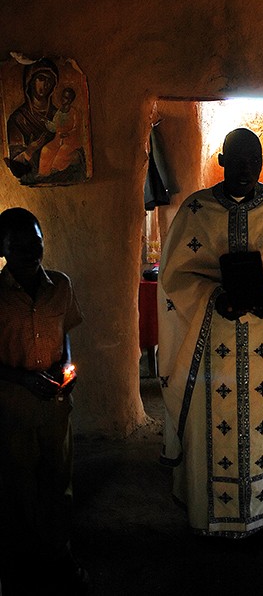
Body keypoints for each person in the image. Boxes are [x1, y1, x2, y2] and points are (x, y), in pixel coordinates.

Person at [157, 127, 263, 539]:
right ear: (221, 161)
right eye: (236, 161)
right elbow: (174, 276)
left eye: (253, 161)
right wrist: (213, 297)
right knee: (211, 428)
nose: (245, 169)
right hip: (211, 342)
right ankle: (212, 517)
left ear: (262, 163)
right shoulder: (196, 211)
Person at [0, 207, 89, 594]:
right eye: (18, 245)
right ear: (2, 249)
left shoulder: (60, 286)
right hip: (14, 411)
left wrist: (66, 366)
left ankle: (58, 551)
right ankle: (23, 560)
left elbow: (64, 330)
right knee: (19, 486)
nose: (30, 252)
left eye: (35, 243)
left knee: (58, 483)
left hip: (55, 409)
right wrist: (23, 378)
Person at [5, 58, 59, 184]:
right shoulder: (18, 119)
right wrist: (30, 150)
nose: (45, 84)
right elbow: (16, 163)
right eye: (41, 78)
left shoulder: (58, 115)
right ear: (30, 81)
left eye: (49, 80)